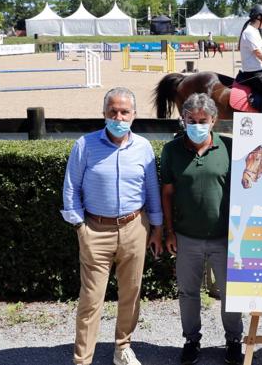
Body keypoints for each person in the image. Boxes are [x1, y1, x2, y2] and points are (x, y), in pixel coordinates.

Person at [61, 87, 163, 365]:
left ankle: (122, 347)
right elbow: (71, 188)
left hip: (134, 228)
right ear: (104, 114)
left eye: (124, 112)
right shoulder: (85, 145)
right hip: (95, 229)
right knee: (91, 300)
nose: (118, 116)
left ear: (134, 115)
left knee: (131, 294)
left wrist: (156, 228)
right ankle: (83, 358)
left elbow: (152, 188)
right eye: (113, 111)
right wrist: (80, 226)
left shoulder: (143, 147)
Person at [160, 93, 243, 365]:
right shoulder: (171, 151)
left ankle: (233, 341)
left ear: (214, 121)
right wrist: (169, 231)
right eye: (191, 120)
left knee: (231, 293)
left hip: (224, 238)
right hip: (186, 236)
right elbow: (167, 193)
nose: (197, 124)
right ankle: (191, 340)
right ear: (183, 120)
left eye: (202, 120)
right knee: (188, 293)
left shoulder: (230, 148)